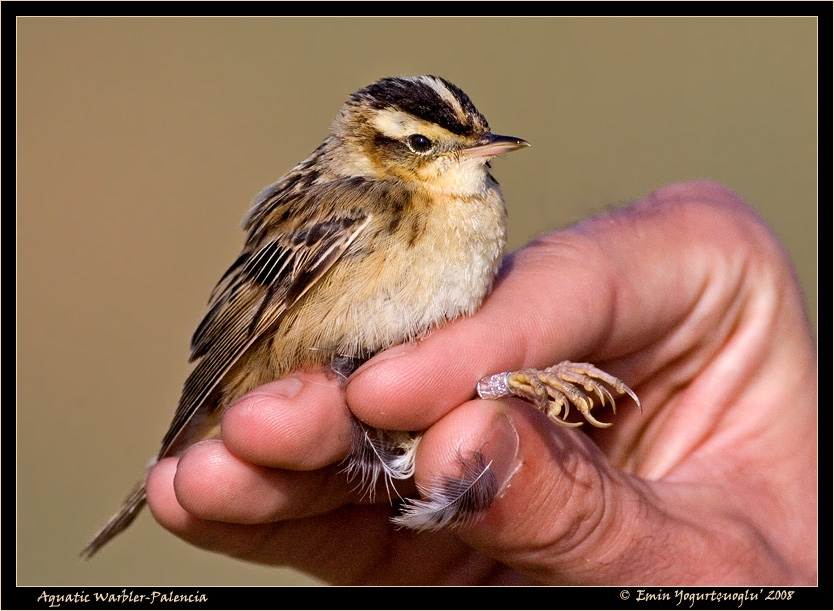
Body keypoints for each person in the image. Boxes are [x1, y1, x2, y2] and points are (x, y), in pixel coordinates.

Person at [144, 181, 817, 585]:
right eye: (425, 146)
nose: (473, 158)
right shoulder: (357, 204)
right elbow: (253, 301)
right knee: (372, 396)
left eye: (474, 139)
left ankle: (501, 388)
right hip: (297, 358)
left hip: (398, 419)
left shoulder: (475, 205)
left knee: (403, 393)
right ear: (388, 155)